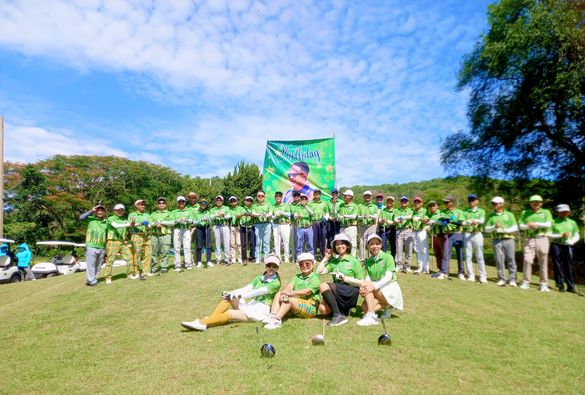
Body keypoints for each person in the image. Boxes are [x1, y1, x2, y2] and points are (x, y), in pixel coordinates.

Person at [180, 255, 282, 331]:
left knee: (230, 313)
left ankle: (202, 323)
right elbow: (246, 288)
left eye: (274, 266)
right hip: (251, 305)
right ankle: (207, 321)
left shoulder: (276, 282)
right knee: (227, 298)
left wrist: (235, 295)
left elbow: (256, 293)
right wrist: (230, 293)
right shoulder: (259, 278)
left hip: (260, 311)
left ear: (278, 268)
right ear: (265, 266)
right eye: (269, 265)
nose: (271, 268)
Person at [316, 233, 365, 326]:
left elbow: (362, 282)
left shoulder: (354, 261)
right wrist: (326, 258)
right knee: (322, 309)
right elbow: (319, 272)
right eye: (337, 244)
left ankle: (338, 315)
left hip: (350, 291)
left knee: (323, 285)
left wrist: (345, 278)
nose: (339, 246)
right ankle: (341, 310)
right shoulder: (334, 261)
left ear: (347, 245)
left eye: (342, 243)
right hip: (337, 291)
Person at [264, 252, 322, 329]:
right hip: (296, 303)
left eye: (307, 264)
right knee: (279, 293)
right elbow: (288, 287)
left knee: (289, 300)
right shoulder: (297, 277)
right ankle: (272, 315)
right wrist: (284, 294)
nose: (304, 266)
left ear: (313, 264)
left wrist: (291, 294)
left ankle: (277, 320)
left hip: (311, 307)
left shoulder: (315, 277)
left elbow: (306, 292)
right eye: (301, 264)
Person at [356, 235, 403, 326]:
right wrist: (364, 288)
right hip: (378, 289)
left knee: (366, 287)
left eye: (377, 244)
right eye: (372, 244)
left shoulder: (388, 257)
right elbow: (368, 278)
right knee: (365, 307)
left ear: (381, 245)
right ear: (368, 246)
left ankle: (371, 316)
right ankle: (388, 306)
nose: (375, 246)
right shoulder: (369, 261)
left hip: (390, 288)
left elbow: (388, 277)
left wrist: (372, 286)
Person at [518, 195, 553, 292]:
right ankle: (525, 282)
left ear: (541, 203)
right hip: (529, 239)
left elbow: (549, 224)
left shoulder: (546, 212)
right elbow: (521, 225)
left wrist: (536, 224)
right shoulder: (525, 213)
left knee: (543, 262)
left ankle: (543, 284)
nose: (536, 203)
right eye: (534, 202)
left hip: (543, 238)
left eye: (538, 202)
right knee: (527, 260)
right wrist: (528, 226)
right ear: (530, 203)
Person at [484, 196, 518, 287]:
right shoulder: (491, 216)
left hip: (509, 239)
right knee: (499, 260)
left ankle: (512, 279)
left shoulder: (509, 214)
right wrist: (494, 227)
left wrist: (505, 230)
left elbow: (515, 227)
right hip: (497, 240)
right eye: (493, 203)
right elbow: (486, 229)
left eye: (495, 203)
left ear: (501, 204)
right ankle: (501, 279)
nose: (494, 205)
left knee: (511, 259)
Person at [431, 196, 466, 280]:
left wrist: (450, 221)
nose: (445, 204)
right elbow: (442, 219)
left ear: (452, 202)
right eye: (445, 202)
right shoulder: (443, 212)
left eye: (447, 202)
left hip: (458, 234)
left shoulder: (459, 212)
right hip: (447, 235)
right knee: (446, 254)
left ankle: (461, 273)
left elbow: (461, 223)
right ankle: (444, 272)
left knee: (459, 254)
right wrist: (441, 222)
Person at [549, 204, 580, 293]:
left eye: (566, 211)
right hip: (556, 245)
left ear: (569, 212)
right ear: (558, 212)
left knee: (568, 266)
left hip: (568, 245)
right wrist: (560, 235)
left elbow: (576, 234)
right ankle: (560, 285)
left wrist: (572, 241)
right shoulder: (553, 222)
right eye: (562, 211)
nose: (564, 213)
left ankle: (570, 286)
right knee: (557, 265)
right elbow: (549, 235)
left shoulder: (572, 222)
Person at [104, 204, 136, 283]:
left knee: (129, 257)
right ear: (114, 211)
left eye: (121, 210)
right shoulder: (110, 218)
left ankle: (130, 274)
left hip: (123, 242)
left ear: (124, 211)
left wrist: (141, 223)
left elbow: (131, 225)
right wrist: (129, 224)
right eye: (117, 210)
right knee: (110, 260)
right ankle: (108, 277)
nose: (119, 211)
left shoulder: (124, 220)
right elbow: (116, 226)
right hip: (112, 241)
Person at [79, 204, 108, 286]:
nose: (100, 212)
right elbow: (81, 217)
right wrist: (91, 210)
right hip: (91, 245)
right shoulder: (90, 219)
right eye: (98, 210)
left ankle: (91, 279)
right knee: (91, 264)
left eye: (102, 210)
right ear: (96, 212)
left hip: (102, 246)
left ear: (104, 212)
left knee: (98, 265)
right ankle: (92, 281)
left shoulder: (106, 222)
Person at [463, 194, 487, 283]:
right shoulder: (465, 211)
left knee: (480, 256)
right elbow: (462, 222)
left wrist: (475, 221)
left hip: (477, 234)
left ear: (477, 201)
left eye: (473, 200)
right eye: (469, 200)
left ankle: (482, 276)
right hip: (467, 233)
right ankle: (471, 275)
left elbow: (482, 220)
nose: (471, 201)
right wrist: (468, 222)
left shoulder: (481, 211)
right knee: (468, 256)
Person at [128, 199, 153, 280]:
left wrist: (148, 225)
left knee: (148, 254)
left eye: (143, 204)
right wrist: (140, 224)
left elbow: (150, 225)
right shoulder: (132, 214)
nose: (143, 206)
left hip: (147, 235)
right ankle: (137, 272)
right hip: (136, 235)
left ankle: (147, 271)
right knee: (137, 254)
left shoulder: (147, 215)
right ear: (136, 206)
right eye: (141, 204)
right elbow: (130, 225)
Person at [150, 198, 175, 273]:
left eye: (163, 203)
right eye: (159, 203)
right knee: (154, 252)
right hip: (154, 235)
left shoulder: (170, 213)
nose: (161, 204)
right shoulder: (153, 214)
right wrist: (155, 224)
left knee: (165, 251)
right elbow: (149, 223)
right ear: (157, 205)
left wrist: (161, 223)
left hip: (166, 234)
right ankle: (154, 267)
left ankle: (164, 266)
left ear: (166, 204)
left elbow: (172, 222)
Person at [172, 196, 194, 271]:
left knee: (187, 247)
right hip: (177, 230)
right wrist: (177, 220)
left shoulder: (188, 211)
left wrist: (187, 220)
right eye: (180, 202)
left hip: (186, 229)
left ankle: (188, 264)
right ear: (177, 203)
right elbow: (172, 222)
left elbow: (192, 221)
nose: (181, 203)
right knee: (176, 247)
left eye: (183, 202)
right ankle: (177, 265)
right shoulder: (174, 212)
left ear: (185, 202)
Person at [209, 195, 231, 265]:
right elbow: (211, 218)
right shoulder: (212, 209)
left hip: (225, 226)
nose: (219, 201)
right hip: (216, 226)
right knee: (217, 243)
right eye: (217, 200)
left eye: (220, 200)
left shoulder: (226, 208)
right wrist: (216, 215)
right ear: (215, 201)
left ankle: (227, 259)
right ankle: (218, 259)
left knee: (227, 243)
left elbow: (230, 216)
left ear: (222, 201)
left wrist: (224, 215)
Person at [358, 190, 380, 261]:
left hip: (371, 226)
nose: (367, 197)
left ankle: (371, 258)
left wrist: (370, 216)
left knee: (371, 241)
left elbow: (376, 217)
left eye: (369, 196)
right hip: (362, 225)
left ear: (371, 197)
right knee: (362, 242)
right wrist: (362, 217)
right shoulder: (360, 206)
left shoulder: (374, 206)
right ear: (363, 197)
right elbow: (357, 216)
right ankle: (362, 259)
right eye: (366, 196)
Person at [394, 196, 414, 272]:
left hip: (408, 230)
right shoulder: (397, 210)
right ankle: (399, 265)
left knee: (408, 249)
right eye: (402, 201)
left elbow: (410, 217)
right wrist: (398, 221)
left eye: (405, 201)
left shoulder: (411, 210)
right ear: (400, 202)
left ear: (408, 202)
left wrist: (402, 217)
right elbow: (395, 219)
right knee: (398, 249)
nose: (404, 202)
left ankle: (407, 266)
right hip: (399, 230)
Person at [337, 190, 359, 257]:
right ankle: (343, 257)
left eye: (346, 195)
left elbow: (355, 216)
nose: (345, 196)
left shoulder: (355, 206)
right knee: (342, 243)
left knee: (352, 244)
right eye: (344, 195)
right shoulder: (341, 205)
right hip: (342, 227)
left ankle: (352, 258)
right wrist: (339, 217)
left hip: (351, 227)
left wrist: (345, 216)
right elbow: (338, 215)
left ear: (351, 197)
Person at [411, 196, 430, 274]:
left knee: (424, 250)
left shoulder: (425, 211)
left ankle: (426, 268)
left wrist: (419, 218)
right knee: (417, 250)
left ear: (421, 203)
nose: (417, 203)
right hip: (414, 231)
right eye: (415, 202)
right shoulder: (413, 211)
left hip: (422, 231)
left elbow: (427, 220)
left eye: (418, 202)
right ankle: (420, 267)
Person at [252, 191, 272, 263]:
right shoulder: (254, 205)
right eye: (259, 196)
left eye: (262, 196)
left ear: (264, 196)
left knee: (266, 241)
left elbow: (271, 212)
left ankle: (266, 258)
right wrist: (259, 215)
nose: (260, 197)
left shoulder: (268, 204)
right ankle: (258, 258)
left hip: (267, 224)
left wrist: (266, 215)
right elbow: (253, 213)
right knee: (258, 241)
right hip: (258, 224)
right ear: (257, 197)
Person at [272, 191, 291, 263]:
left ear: (282, 197)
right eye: (276, 196)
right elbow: (271, 217)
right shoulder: (273, 206)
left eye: (279, 196)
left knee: (286, 241)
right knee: (276, 242)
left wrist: (282, 213)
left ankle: (286, 258)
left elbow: (289, 215)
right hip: (276, 225)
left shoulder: (286, 205)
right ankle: (278, 257)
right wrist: (276, 215)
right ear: (275, 197)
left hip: (285, 225)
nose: (278, 197)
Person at [192, 199, 213, 267]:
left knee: (208, 245)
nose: (203, 204)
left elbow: (211, 223)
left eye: (204, 203)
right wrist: (199, 220)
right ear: (200, 204)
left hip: (207, 228)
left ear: (206, 205)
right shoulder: (196, 212)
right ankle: (199, 262)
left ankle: (209, 261)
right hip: (199, 228)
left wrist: (208, 219)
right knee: (199, 245)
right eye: (202, 203)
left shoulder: (208, 212)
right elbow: (194, 222)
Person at [310, 189, 329, 260]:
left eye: (318, 193)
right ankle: (313, 256)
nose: (317, 194)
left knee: (323, 239)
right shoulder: (310, 203)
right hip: (314, 223)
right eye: (316, 193)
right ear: (313, 194)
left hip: (322, 223)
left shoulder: (324, 203)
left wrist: (326, 217)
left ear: (320, 194)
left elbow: (327, 212)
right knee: (313, 240)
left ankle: (323, 256)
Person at [426, 201, 444, 273]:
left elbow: (443, 222)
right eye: (430, 206)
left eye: (433, 205)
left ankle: (444, 269)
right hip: (434, 235)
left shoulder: (441, 213)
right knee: (437, 254)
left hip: (441, 235)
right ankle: (440, 269)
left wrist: (434, 221)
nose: (432, 207)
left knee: (443, 253)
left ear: (437, 206)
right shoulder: (430, 214)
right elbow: (431, 224)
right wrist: (429, 226)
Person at [239, 196, 256, 265]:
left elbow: (255, 215)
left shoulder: (253, 208)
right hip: (243, 227)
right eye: (247, 200)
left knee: (252, 243)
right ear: (244, 201)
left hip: (251, 227)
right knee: (243, 244)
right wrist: (243, 214)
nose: (249, 202)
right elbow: (238, 215)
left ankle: (252, 257)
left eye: (250, 200)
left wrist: (250, 214)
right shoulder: (241, 208)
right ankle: (244, 258)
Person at [227, 196, 243, 264]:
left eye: (234, 201)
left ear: (236, 201)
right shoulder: (228, 209)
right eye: (231, 201)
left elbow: (243, 214)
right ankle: (233, 258)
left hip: (238, 226)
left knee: (239, 243)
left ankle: (239, 258)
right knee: (232, 243)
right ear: (230, 202)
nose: (233, 202)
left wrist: (240, 216)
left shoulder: (240, 208)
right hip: (231, 227)